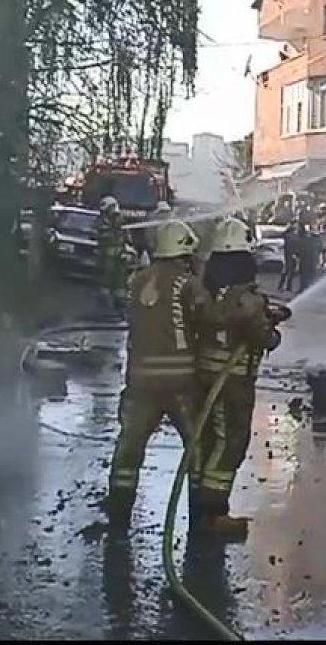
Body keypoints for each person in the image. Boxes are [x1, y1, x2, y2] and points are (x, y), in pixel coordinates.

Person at [102, 219, 206, 533]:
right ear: (184, 252)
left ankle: (119, 514)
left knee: (129, 447)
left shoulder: (136, 281)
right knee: (197, 447)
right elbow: (207, 318)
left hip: (140, 383)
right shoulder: (188, 284)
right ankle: (199, 518)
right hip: (181, 385)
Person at [191, 217, 289, 539]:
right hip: (233, 384)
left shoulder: (205, 292)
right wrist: (270, 327)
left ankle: (200, 505)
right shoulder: (248, 298)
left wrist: (267, 315)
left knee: (208, 439)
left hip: (204, 377)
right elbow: (265, 339)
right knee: (231, 442)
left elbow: (226, 322)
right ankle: (213, 512)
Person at [96, 195, 129, 315]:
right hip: (106, 254)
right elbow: (99, 233)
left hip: (117, 254)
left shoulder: (119, 219)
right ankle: (105, 304)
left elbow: (126, 237)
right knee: (106, 277)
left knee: (119, 278)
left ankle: (119, 304)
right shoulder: (102, 220)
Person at [278, 220, 300, 292]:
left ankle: (288, 287)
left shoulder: (297, 236)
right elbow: (283, 234)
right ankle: (281, 286)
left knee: (292, 272)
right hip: (288, 255)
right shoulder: (288, 236)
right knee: (286, 271)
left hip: (294, 254)